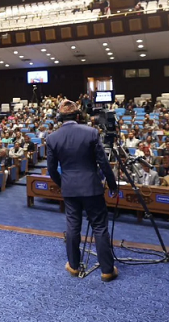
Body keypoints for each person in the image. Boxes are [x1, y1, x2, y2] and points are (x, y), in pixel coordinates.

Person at [46, 99, 119, 282]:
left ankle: (73, 265)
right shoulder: (92, 133)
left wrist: (63, 183)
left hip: (69, 188)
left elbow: (52, 170)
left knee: (72, 226)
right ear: (78, 116)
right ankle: (107, 271)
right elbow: (103, 163)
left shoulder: (52, 138)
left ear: (59, 118)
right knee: (100, 227)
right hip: (92, 187)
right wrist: (113, 185)